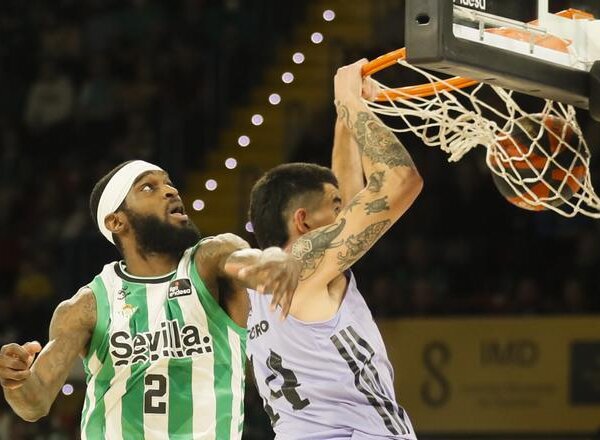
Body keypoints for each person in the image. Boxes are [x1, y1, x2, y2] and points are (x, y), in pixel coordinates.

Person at [0, 160, 301, 439]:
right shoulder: (86, 306)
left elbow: (249, 262)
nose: (170, 190)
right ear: (117, 221)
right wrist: (15, 381)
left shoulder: (210, 262)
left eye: (169, 183)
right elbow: (35, 402)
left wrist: (273, 260)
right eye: (149, 187)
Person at [245, 60, 423, 439]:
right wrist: (352, 103)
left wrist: (346, 117)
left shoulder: (257, 288)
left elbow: (356, 196)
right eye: (337, 207)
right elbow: (398, 182)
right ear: (304, 222)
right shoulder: (304, 262)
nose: (347, 212)